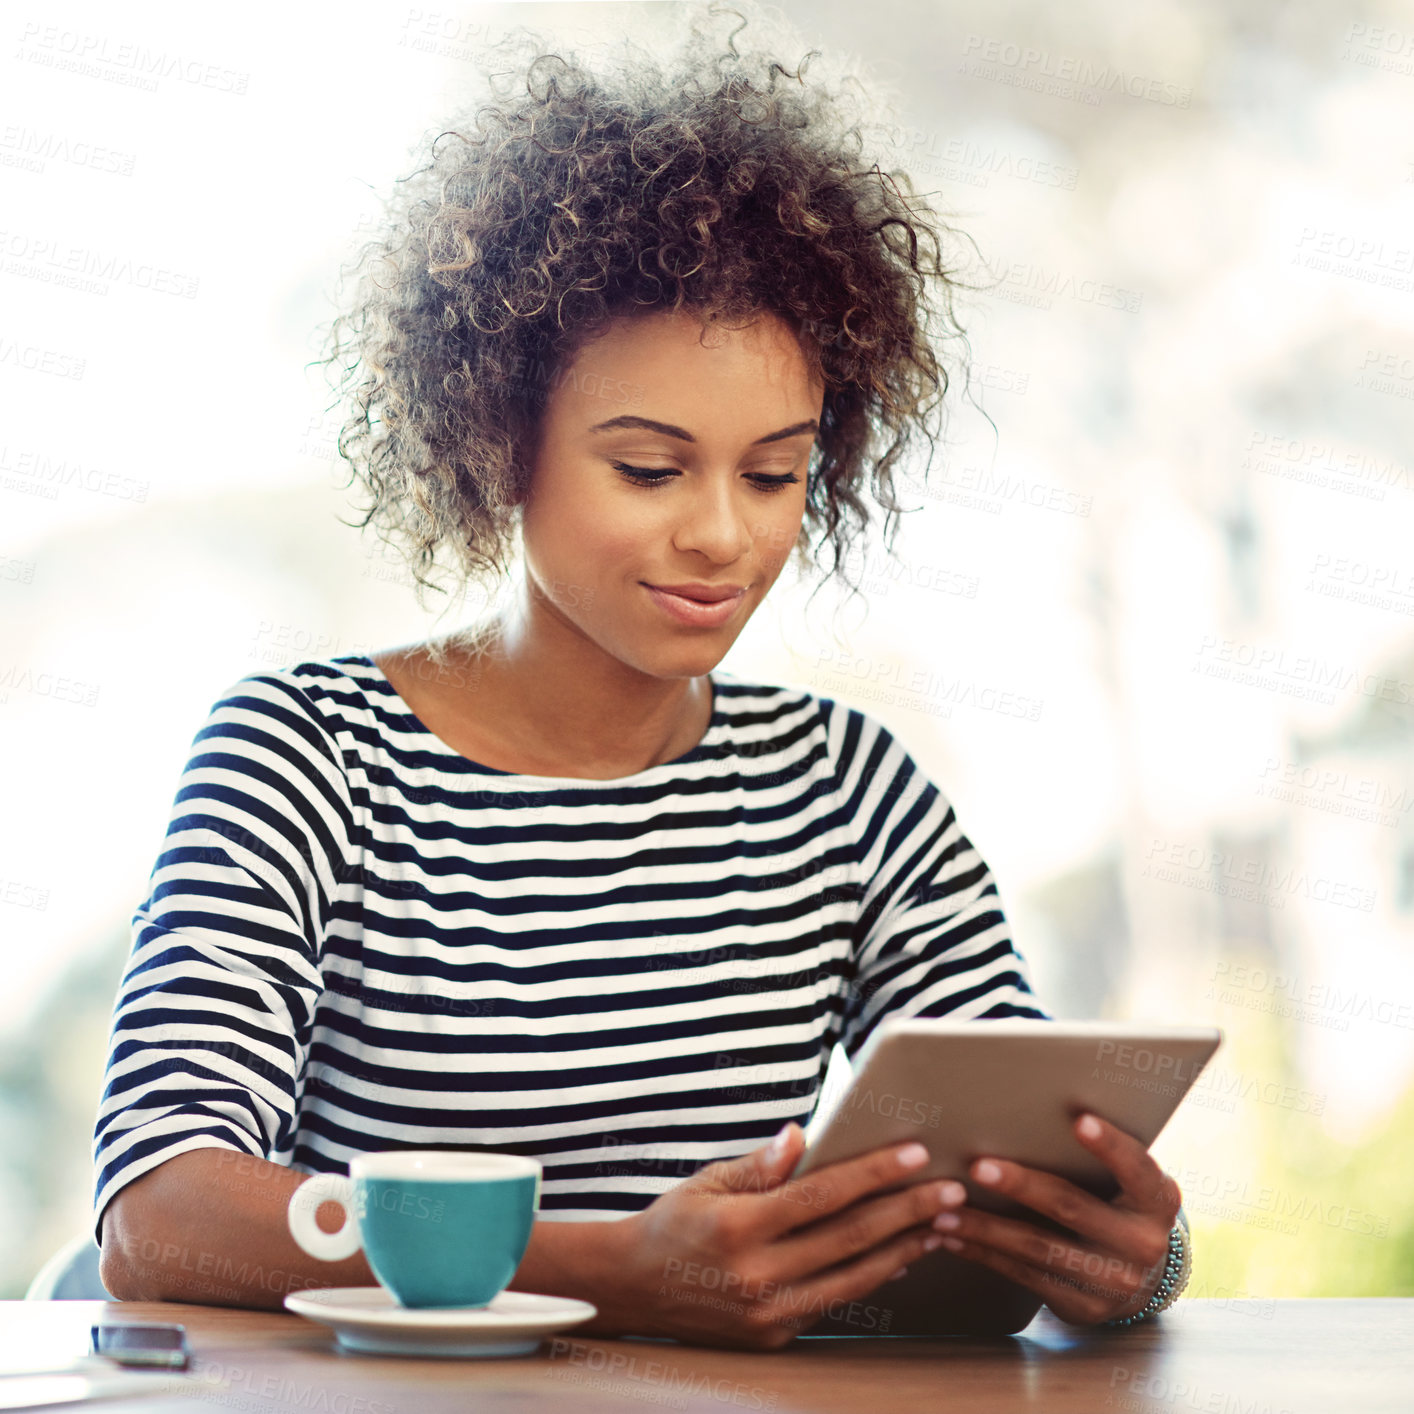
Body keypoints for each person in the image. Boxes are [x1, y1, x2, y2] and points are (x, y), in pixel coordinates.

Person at [91, 7, 1187, 1348]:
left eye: (774, 471)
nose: (722, 532)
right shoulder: (307, 756)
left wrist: (1126, 1255)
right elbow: (159, 1210)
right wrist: (614, 1265)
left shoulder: (847, 792)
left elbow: (1017, 1151)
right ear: (497, 441)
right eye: (649, 467)